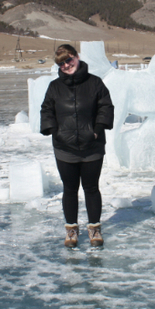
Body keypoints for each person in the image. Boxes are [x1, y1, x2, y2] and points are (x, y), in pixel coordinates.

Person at [40, 44, 114, 248]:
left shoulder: (95, 83)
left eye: (69, 59)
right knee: (70, 189)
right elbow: (46, 110)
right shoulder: (55, 87)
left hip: (92, 147)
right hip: (65, 149)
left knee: (91, 188)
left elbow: (105, 107)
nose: (66, 65)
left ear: (77, 57)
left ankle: (94, 229)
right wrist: (53, 130)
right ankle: (71, 231)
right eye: (61, 63)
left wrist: (98, 128)